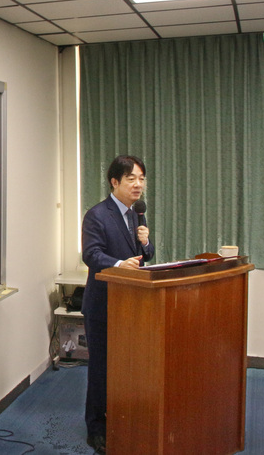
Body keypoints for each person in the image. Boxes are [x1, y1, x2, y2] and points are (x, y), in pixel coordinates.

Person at [80, 155, 155, 454]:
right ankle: (96, 429)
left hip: (132, 305)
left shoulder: (137, 214)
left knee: (129, 366)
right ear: (114, 181)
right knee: (102, 369)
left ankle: (124, 416)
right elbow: (91, 254)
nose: (138, 185)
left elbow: (145, 256)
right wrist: (119, 264)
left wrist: (146, 243)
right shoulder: (97, 215)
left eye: (142, 179)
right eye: (131, 179)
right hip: (103, 305)